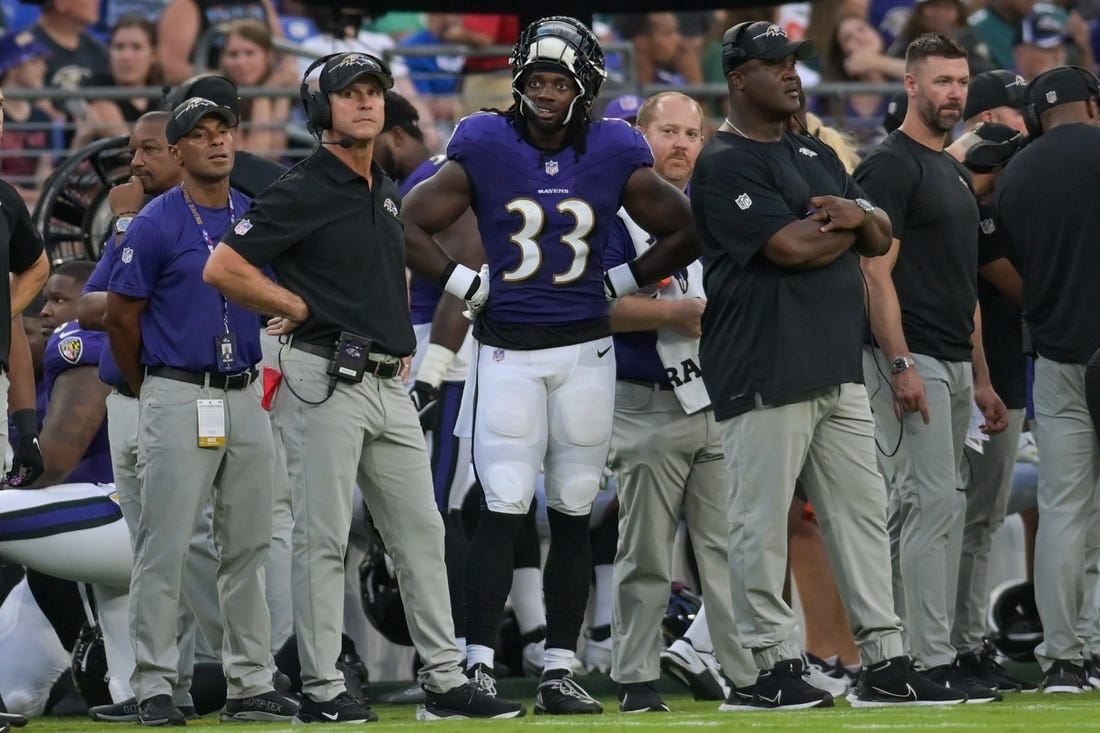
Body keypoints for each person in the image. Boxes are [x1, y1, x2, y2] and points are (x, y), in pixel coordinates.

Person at [202, 50, 524, 723]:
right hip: (324, 378)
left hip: (385, 380)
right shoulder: (304, 184)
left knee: (422, 531)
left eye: (375, 91)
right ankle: (321, 688)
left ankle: (443, 676)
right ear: (322, 108)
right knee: (322, 539)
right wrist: (289, 305)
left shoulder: (379, 182)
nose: (367, 103)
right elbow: (224, 266)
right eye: (350, 93)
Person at [399, 16, 700, 715]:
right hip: (506, 349)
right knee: (501, 504)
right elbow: (407, 220)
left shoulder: (616, 147)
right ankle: (474, 665)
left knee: (571, 507)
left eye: (558, 81)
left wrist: (621, 282)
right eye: (536, 79)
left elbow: (686, 227)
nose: (544, 93)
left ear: (585, 85)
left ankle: (560, 666)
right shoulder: (484, 139)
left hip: (586, 350)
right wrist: (465, 284)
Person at [687, 20, 964, 710]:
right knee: (759, 518)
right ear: (738, 78)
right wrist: (847, 222)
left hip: (836, 363)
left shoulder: (814, 151)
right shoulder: (723, 161)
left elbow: (878, 234)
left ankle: (886, 658)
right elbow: (787, 247)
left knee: (863, 514)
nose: (790, 73)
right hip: (762, 362)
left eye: (794, 62)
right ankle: (767, 666)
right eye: (773, 63)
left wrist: (845, 217)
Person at [105, 95, 295, 725]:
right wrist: (152, 387)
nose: (218, 143)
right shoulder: (157, 222)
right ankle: (154, 684)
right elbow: (119, 319)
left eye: (226, 132)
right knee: (166, 545)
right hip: (180, 389)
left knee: (248, 545)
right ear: (179, 151)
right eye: (202, 135)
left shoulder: (250, 214)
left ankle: (250, 683)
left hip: (243, 392)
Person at [855, 33, 1008, 702]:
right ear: (910, 84)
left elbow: (964, 286)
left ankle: (898, 657)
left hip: (950, 359)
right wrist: (899, 362)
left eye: (960, 81)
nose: (954, 92)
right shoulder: (889, 166)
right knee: (929, 508)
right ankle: (926, 658)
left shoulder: (948, 167)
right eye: (941, 80)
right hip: (912, 358)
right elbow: (872, 273)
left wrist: (981, 377)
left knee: (920, 510)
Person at [603, 90, 757, 714]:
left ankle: (746, 675)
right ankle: (636, 678)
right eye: (668, 132)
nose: (683, 145)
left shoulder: (710, 209)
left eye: (692, 135)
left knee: (731, 549)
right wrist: (674, 312)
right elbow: (594, 306)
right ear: (640, 136)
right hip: (646, 398)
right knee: (644, 549)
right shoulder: (614, 216)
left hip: (713, 397)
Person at [994, 64, 1100, 693]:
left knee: (1064, 508)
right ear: (1091, 103)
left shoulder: (1016, 175)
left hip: (1057, 357)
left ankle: (1064, 657)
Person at [948, 78, 1036, 694]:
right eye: (1017, 115)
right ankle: (930, 645)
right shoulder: (961, 196)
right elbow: (1021, 287)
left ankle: (967, 640)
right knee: (936, 518)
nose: (1028, 126)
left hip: (1004, 372)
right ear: (984, 119)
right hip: (952, 372)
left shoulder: (1010, 191)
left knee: (979, 522)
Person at [72, 15, 160, 148]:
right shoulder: (97, 84)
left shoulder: (164, 94)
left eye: (136, 47)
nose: (126, 56)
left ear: (153, 55)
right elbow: (121, 141)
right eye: (119, 47)